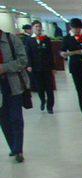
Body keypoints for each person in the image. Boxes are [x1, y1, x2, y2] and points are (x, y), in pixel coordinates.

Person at [0, 28, 29, 162]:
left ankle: (18, 149)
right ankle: (13, 146)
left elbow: (23, 60)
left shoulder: (12, 39)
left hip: (13, 85)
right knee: (3, 119)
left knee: (16, 118)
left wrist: (4, 67)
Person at [61, 18, 82, 121]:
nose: (76, 30)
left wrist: (80, 52)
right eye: (74, 28)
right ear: (71, 27)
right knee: (80, 91)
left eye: (78, 28)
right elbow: (62, 51)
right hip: (75, 67)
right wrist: (65, 54)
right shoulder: (67, 38)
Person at [24, 21, 55, 114]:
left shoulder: (46, 39)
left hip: (46, 67)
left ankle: (50, 106)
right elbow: (28, 54)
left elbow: (50, 53)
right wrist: (29, 65)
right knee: (40, 87)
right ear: (32, 28)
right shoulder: (29, 40)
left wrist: (53, 67)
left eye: (39, 26)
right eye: (36, 26)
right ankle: (42, 100)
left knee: (49, 88)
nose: (38, 28)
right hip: (36, 68)